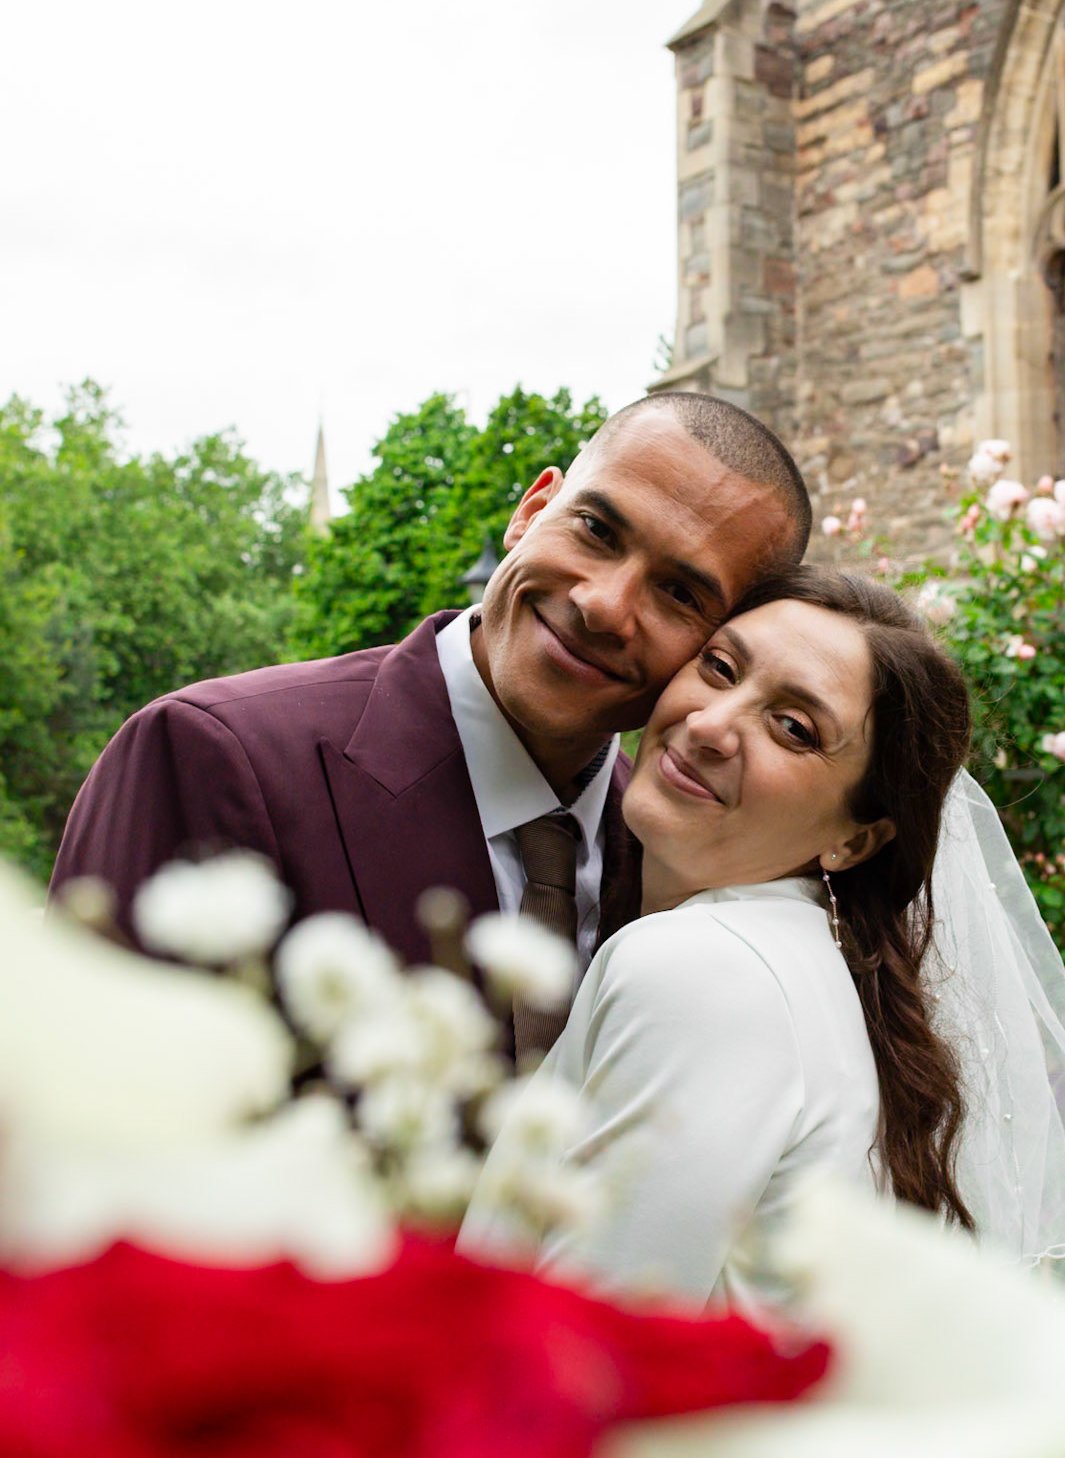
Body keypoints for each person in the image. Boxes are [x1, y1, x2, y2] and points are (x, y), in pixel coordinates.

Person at [460, 567, 1065, 1304]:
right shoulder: (813, 971)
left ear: (855, 841)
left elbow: (579, 1353)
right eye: (719, 668)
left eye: (793, 729)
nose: (710, 725)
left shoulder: (699, 970)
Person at [49, 394, 811, 1036]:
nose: (601, 604)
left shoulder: (669, 857)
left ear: (721, 645)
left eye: (679, 592)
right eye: (595, 530)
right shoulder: (213, 754)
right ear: (531, 510)